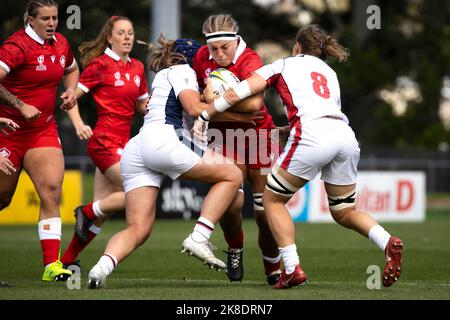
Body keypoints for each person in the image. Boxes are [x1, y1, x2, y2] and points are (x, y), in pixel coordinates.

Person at [194, 24, 404, 289]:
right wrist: (285, 130)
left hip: (312, 136)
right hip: (345, 137)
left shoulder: (283, 64)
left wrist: (204, 115)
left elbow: (237, 93)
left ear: (296, 47)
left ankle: (292, 267)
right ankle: (387, 241)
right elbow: (320, 110)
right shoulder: (329, 72)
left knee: (271, 201)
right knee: (345, 211)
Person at [86, 36, 243, 289]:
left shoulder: (164, 73)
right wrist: (226, 101)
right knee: (233, 175)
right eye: (203, 55)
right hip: (165, 139)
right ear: (192, 57)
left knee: (139, 228)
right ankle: (199, 237)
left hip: (138, 147)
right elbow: (193, 108)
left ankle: (101, 268)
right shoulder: (183, 70)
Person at [192, 14, 282, 284]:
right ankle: (235, 247)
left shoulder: (250, 59)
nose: (218, 55)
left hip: (261, 135)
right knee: (231, 205)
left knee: (265, 209)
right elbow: (198, 98)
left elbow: (255, 106)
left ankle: (272, 266)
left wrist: (214, 99)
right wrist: (213, 102)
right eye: (213, 49)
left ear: (236, 41)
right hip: (221, 136)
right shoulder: (200, 57)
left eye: (224, 48)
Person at [59, 16, 149, 269]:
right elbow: (69, 98)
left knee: (103, 214)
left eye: (130, 32)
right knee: (136, 193)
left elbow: (142, 105)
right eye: (121, 33)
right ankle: (86, 211)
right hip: (104, 142)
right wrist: (78, 124)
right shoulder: (100, 65)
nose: (127, 37)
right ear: (110, 38)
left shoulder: (138, 68)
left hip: (124, 144)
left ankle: (65, 261)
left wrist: (160, 105)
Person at [0, 0, 79, 281]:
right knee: (2, 198)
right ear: (30, 20)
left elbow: (71, 69)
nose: (52, 23)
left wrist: (71, 92)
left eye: (55, 17)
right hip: (7, 132)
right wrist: (20, 105)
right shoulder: (16, 46)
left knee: (51, 190)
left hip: (42, 130)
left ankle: (51, 266)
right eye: (45, 18)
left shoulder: (60, 43)